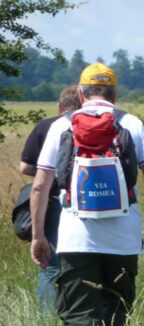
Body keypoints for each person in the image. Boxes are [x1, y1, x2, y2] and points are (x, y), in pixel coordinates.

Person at [29, 63, 144, 326]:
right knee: (118, 312)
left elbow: (40, 186)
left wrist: (38, 236)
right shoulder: (132, 123)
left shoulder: (61, 126)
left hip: (75, 239)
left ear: (80, 93)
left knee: (80, 317)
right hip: (124, 240)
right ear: (115, 95)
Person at [20, 86, 81, 311]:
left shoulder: (46, 126)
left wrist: (47, 176)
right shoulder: (87, 125)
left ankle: (48, 320)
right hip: (82, 204)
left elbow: (24, 166)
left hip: (50, 204)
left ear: (59, 106)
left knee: (50, 266)